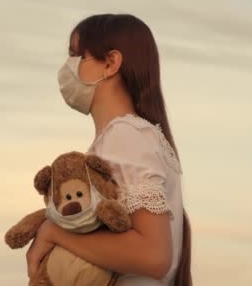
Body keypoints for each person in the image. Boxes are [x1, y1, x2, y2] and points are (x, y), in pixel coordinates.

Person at [26, 14, 193, 285]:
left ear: (111, 63)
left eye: (76, 55)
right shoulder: (131, 136)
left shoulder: (126, 135)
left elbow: (154, 256)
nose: (68, 67)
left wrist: (56, 233)